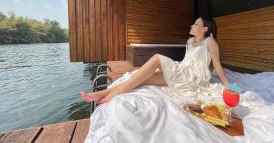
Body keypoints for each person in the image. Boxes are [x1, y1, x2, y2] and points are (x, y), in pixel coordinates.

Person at [80, 17, 229, 104]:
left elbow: (216, 64)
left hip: (194, 78)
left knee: (157, 58)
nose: (192, 25)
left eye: (196, 24)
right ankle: (103, 93)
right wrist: (173, 69)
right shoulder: (190, 41)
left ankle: (113, 95)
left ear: (204, 29)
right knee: (145, 77)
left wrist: (227, 85)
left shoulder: (210, 42)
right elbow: (187, 60)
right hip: (184, 72)